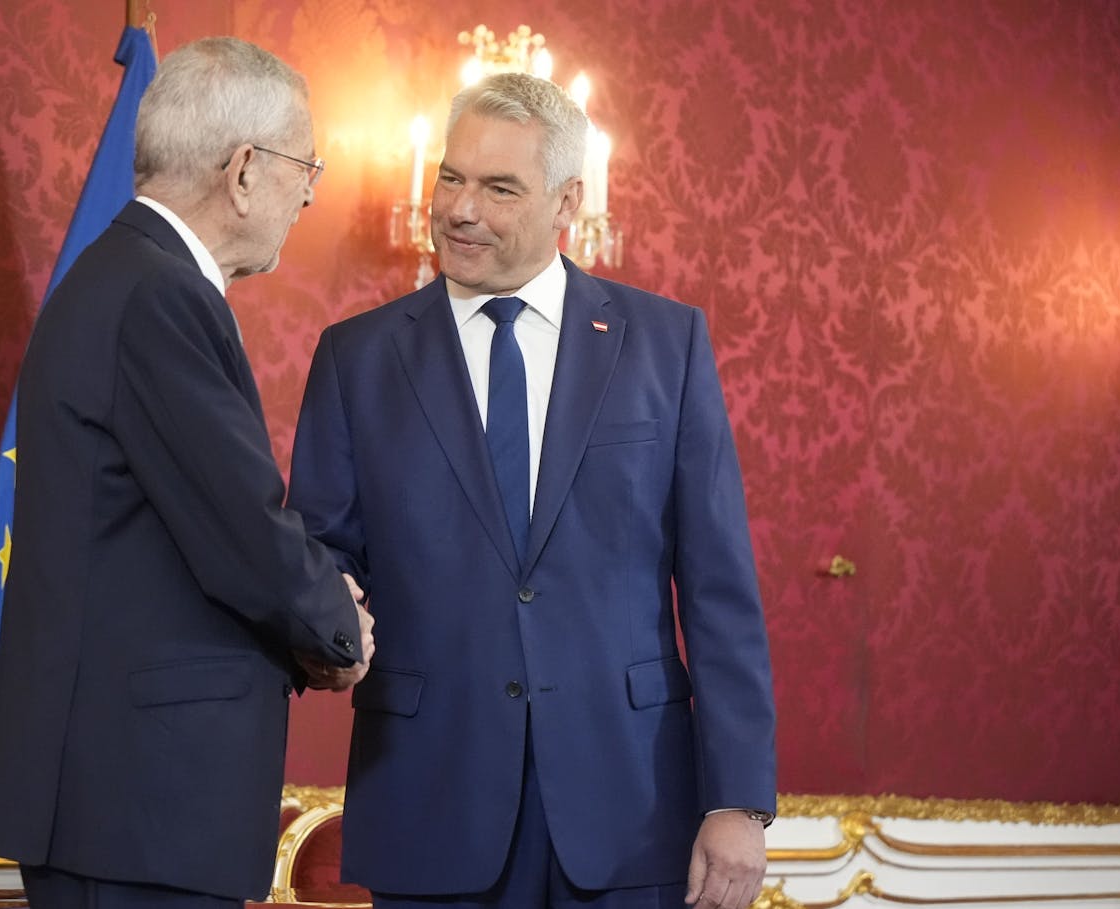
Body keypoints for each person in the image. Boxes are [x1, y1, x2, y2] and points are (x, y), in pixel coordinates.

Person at [287, 72, 776, 909]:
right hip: (429, 800)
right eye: (451, 177)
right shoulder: (356, 359)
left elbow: (719, 589)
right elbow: (321, 558)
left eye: (499, 187)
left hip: (630, 809)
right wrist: (320, 631)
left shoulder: (665, 344)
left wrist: (736, 798)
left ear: (567, 202)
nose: (460, 208)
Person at [0, 37, 374, 909]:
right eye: (305, 165)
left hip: (123, 802)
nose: (309, 190)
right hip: (139, 804)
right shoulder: (160, 293)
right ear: (242, 170)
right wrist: (340, 626)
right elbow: (240, 527)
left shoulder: (122, 276)